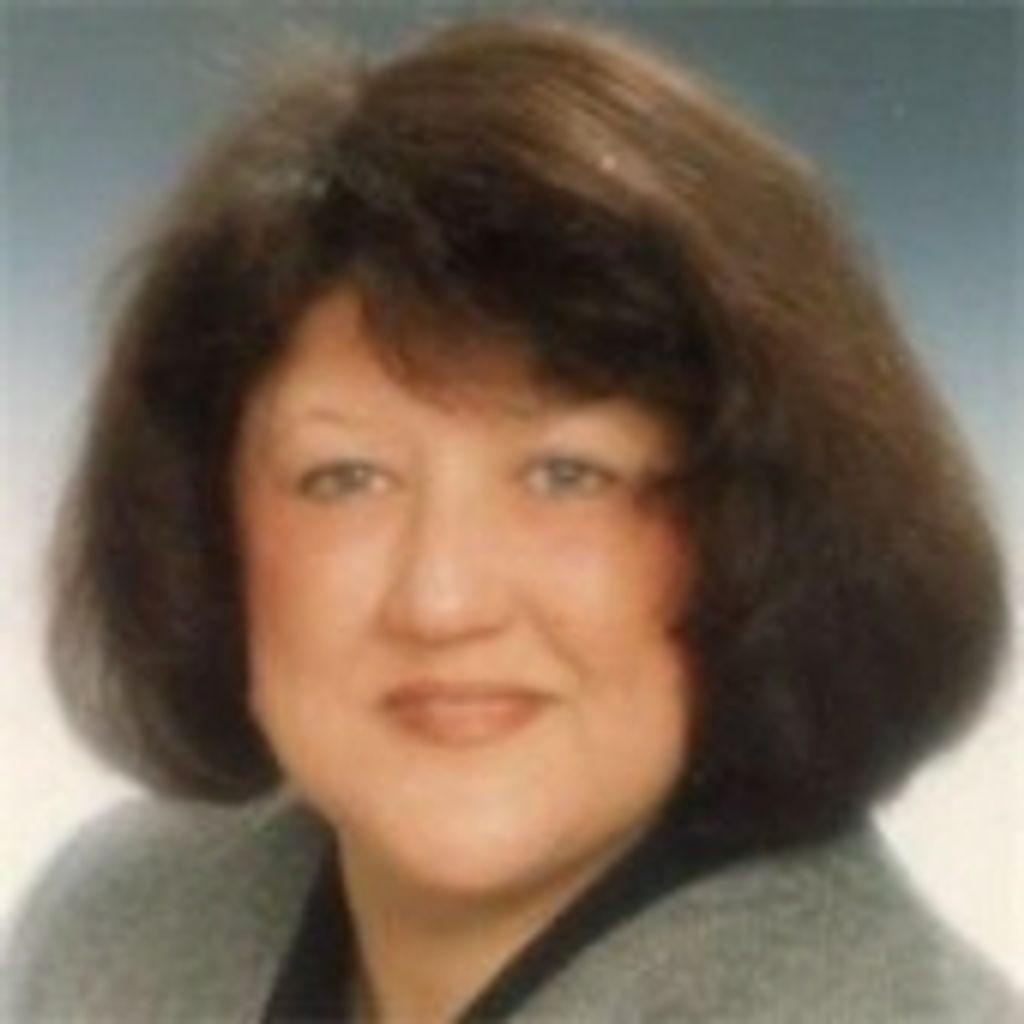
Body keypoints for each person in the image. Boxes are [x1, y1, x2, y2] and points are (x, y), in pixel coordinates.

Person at [3, 14, 1020, 1024]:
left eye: (565, 474)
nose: (440, 600)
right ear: (207, 536)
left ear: (756, 534)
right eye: (346, 477)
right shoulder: (120, 928)